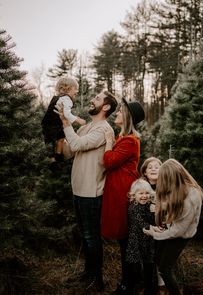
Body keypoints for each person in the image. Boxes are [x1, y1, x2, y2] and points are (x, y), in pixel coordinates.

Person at [56, 90, 118, 292]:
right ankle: (88, 273)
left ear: (106, 107)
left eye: (98, 99)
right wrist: (59, 138)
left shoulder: (103, 130)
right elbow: (69, 152)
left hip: (92, 192)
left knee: (92, 237)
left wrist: (67, 124)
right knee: (85, 235)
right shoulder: (88, 127)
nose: (92, 99)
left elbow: (76, 144)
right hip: (79, 189)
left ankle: (97, 280)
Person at [101, 98, 145, 294]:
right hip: (117, 191)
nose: (117, 113)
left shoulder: (129, 140)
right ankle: (133, 278)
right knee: (124, 241)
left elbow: (109, 161)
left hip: (123, 193)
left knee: (126, 241)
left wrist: (108, 144)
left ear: (128, 117)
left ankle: (128, 283)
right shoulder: (123, 138)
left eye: (120, 111)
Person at [143, 158, 203, 295]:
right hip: (174, 229)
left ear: (174, 177)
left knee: (165, 269)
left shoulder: (191, 197)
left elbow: (177, 231)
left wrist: (155, 234)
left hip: (181, 236)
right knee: (158, 259)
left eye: (165, 179)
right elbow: (173, 207)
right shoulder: (178, 187)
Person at [41, 76, 86, 170]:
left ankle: (58, 156)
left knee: (61, 138)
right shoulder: (67, 99)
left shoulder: (59, 98)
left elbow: (63, 113)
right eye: (75, 89)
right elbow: (66, 113)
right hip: (52, 124)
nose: (77, 91)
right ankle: (53, 161)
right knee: (52, 141)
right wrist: (79, 120)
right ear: (68, 88)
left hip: (52, 123)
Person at [140, 157, 168, 295]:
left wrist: (158, 207)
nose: (153, 169)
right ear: (144, 172)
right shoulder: (140, 187)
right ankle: (147, 285)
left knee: (160, 257)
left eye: (157, 167)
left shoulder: (166, 187)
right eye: (150, 167)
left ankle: (162, 285)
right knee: (147, 258)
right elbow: (136, 207)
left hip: (162, 227)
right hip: (146, 228)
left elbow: (171, 206)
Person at [126, 178, 156, 295]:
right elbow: (140, 222)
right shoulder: (133, 207)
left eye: (147, 193)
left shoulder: (150, 206)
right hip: (136, 241)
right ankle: (133, 288)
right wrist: (153, 228)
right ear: (134, 195)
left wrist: (154, 212)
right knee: (135, 267)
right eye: (141, 193)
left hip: (148, 241)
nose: (144, 196)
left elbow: (153, 220)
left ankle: (149, 288)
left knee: (149, 265)